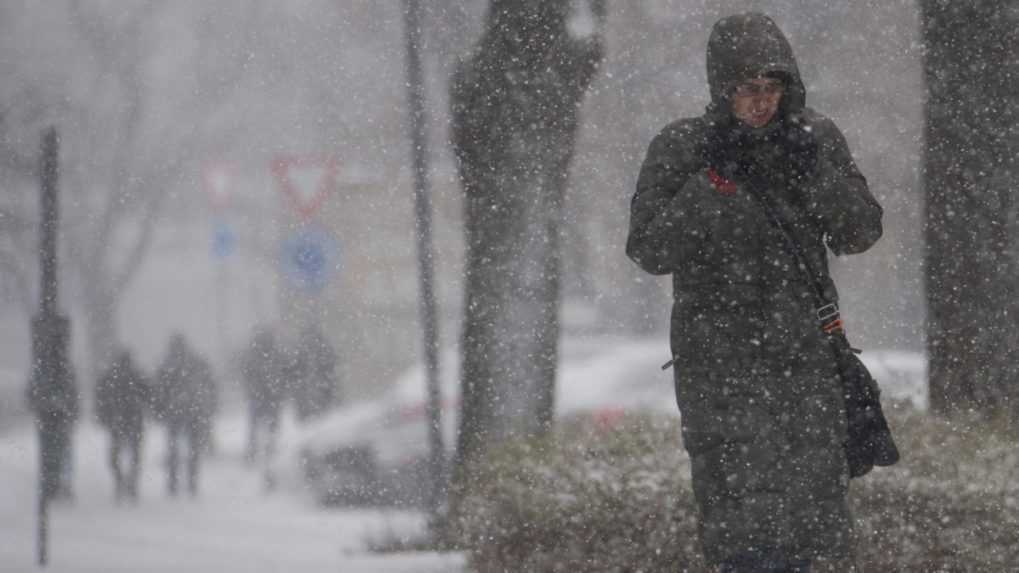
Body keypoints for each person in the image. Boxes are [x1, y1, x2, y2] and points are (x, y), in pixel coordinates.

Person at [625, 13, 883, 572]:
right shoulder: (684, 148)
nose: (762, 102)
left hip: (807, 365)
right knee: (741, 525)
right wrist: (710, 187)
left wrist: (815, 170)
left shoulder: (814, 139)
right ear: (723, 89)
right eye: (747, 89)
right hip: (720, 372)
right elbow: (648, 249)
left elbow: (860, 231)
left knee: (816, 525)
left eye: (772, 88)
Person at [153, 333, 219, 497]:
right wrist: (210, 404)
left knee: (175, 449)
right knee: (192, 449)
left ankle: (174, 482)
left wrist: (159, 410)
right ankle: (191, 482)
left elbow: (159, 391)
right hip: (194, 411)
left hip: (176, 412)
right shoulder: (196, 362)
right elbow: (210, 384)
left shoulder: (167, 365)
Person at [94, 349, 149, 502]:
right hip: (131, 420)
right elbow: (149, 395)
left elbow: (101, 397)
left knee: (116, 457)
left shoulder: (111, 376)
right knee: (133, 456)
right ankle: (130, 482)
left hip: (118, 421)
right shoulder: (136, 375)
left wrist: (103, 415)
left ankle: (123, 481)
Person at [240, 328, 287, 487]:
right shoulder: (274, 356)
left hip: (261, 399)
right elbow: (283, 374)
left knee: (256, 429)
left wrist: (254, 389)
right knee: (268, 431)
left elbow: (247, 375)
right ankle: (266, 452)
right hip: (269, 399)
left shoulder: (255, 357)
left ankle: (256, 452)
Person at [290, 325, 340, 421]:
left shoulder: (301, 347)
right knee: (319, 397)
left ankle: (315, 417)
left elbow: (296, 364)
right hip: (317, 379)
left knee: (315, 398)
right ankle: (318, 416)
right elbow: (332, 359)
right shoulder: (320, 345)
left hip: (313, 380)